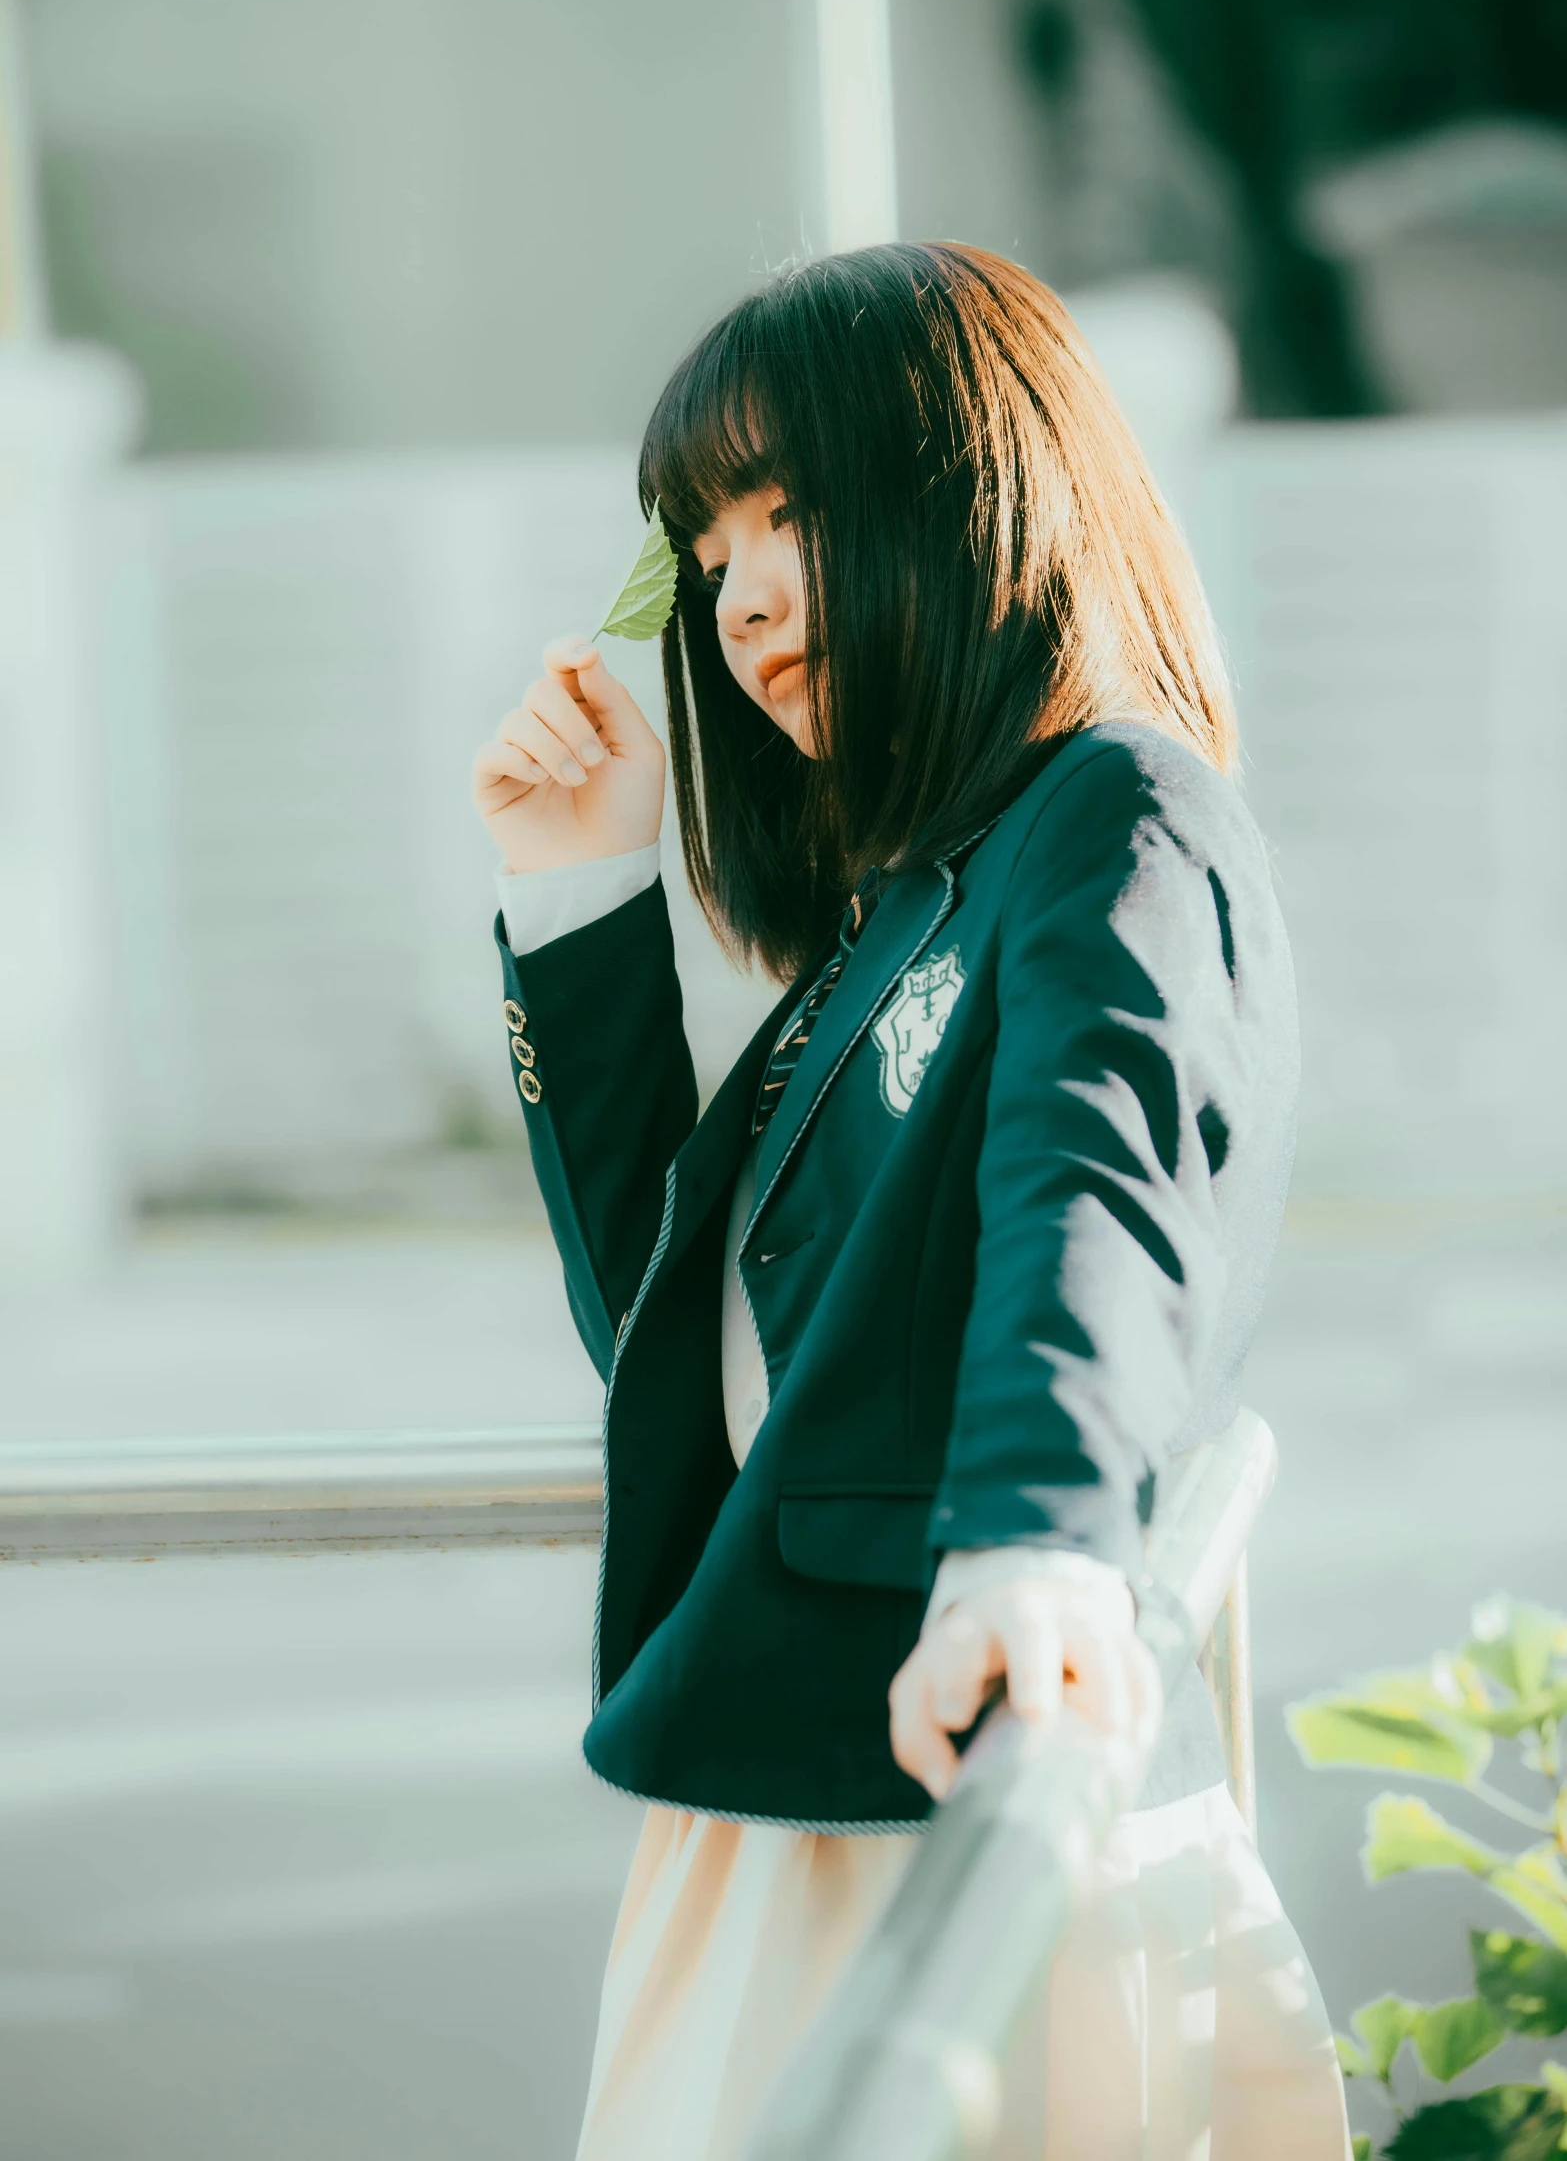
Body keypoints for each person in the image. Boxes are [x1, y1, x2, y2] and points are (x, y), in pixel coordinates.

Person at [471, 245, 1350, 2160]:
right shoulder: (898, 915)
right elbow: (668, 1322)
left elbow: (1094, 1187)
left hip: (958, 1762)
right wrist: (580, 903)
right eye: (704, 556)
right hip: (804, 1787)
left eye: (787, 514)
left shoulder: (1114, 808)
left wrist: (1034, 1543)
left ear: (982, 483)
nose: (744, 599)